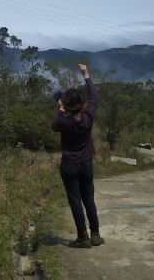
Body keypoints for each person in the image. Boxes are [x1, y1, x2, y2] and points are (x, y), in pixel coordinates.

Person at [51, 63, 105, 248]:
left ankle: (83, 237)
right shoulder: (88, 117)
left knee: (75, 200)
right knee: (88, 198)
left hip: (69, 165)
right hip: (86, 164)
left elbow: (55, 124)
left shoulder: (63, 123)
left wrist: (60, 108)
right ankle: (95, 234)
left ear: (66, 105)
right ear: (82, 104)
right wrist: (86, 75)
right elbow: (94, 96)